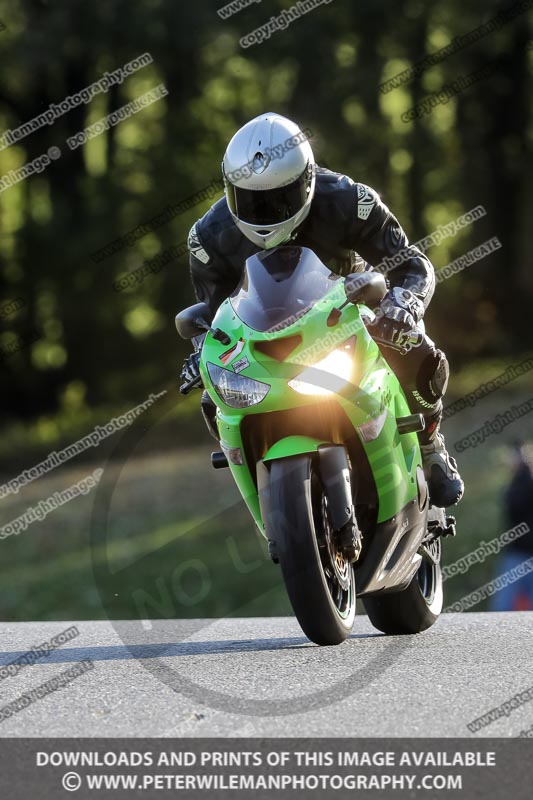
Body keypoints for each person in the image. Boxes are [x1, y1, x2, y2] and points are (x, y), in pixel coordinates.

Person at [181, 112, 464, 508]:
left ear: (308, 181)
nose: (265, 214)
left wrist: (404, 304)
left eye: (279, 198)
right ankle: (253, 464)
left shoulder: (350, 200)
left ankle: (431, 444)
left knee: (415, 346)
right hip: (263, 338)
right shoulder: (208, 238)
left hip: (350, 314)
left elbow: (413, 265)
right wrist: (199, 354)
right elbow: (212, 318)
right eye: (249, 200)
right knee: (212, 395)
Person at [490, 442, 533, 610]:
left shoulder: (524, 479)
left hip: (520, 553)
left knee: (503, 605)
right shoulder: (518, 480)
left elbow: (514, 503)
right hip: (517, 551)